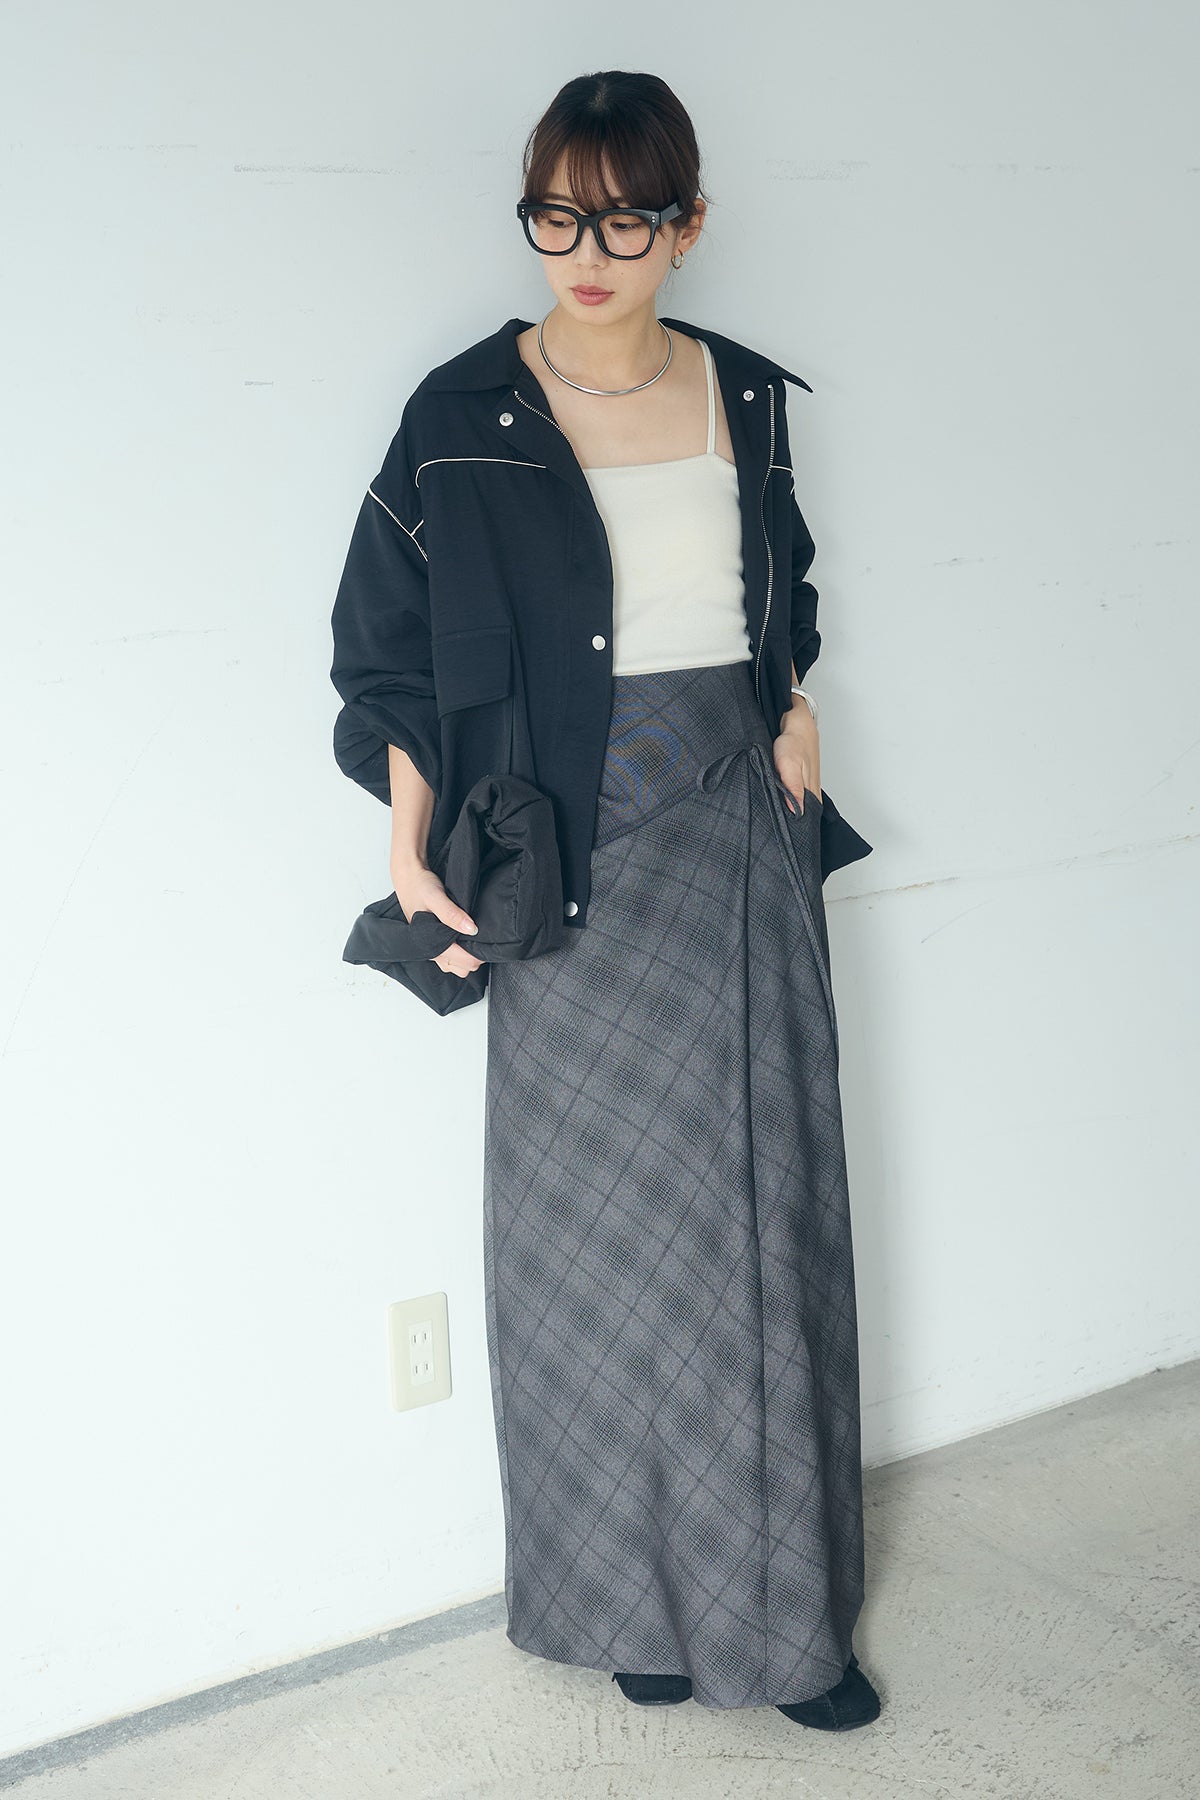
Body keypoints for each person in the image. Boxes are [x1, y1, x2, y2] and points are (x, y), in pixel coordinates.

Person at [330, 69, 881, 1732]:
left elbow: (780, 585)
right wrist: (409, 839)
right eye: (557, 218)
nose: (587, 254)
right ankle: (630, 1602)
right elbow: (385, 657)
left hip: (737, 835)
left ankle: (784, 1627)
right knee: (594, 1244)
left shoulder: (745, 394)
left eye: (625, 221)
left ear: (687, 226)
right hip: (562, 858)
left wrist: (796, 711)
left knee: (762, 1220)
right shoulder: (457, 416)